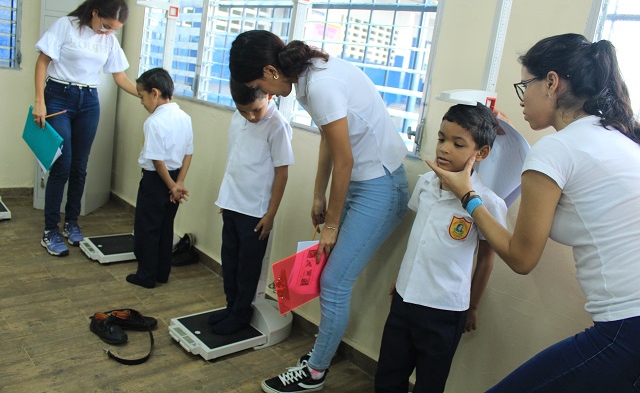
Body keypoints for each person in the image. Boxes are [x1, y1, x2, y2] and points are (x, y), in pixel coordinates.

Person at [426, 33, 640, 392]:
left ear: (552, 83)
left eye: (526, 85)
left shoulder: (556, 150)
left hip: (627, 326)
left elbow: (522, 257)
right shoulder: (617, 137)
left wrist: (468, 196)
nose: (522, 98)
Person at [229, 30, 410, 393]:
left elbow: (345, 159)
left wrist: (332, 224)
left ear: (270, 69)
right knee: (331, 278)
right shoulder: (308, 78)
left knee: (333, 283)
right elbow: (331, 139)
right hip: (364, 181)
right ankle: (319, 360)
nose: (261, 93)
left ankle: (315, 372)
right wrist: (318, 194)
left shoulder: (320, 84)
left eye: (257, 84)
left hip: (382, 185)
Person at [375, 104, 507, 393]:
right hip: (405, 299)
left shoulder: (488, 203)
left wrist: (472, 305)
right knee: (387, 376)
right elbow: (419, 238)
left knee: (430, 384)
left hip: (445, 310)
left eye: (458, 143)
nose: (444, 149)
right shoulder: (425, 184)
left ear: (481, 153)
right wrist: (403, 277)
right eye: (441, 138)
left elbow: (486, 261)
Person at [34, 0, 139, 256]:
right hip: (59, 97)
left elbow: (120, 76)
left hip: (89, 101)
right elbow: (43, 62)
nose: (108, 32)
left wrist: (148, 95)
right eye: (105, 25)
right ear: (94, 13)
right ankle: (50, 231)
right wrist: (40, 101)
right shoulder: (66, 26)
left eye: (114, 29)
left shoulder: (108, 40)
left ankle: (72, 224)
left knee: (80, 167)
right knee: (63, 165)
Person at [210, 79, 294, 334]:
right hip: (232, 203)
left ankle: (240, 314)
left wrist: (270, 215)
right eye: (243, 110)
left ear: (268, 96)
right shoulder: (239, 117)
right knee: (230, 261)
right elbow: (234, 159)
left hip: (256, 213)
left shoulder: (277, 125)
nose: (250, 116)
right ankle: (230, 306)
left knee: (247, 267)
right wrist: (226, 198)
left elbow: (282, 173)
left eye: (255, 110)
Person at [127, 68, 193, 289]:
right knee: (166, 228)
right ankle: (162, 273)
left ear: (154, 93)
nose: (142, 103)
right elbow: (188, 153)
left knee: (147, 230)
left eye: (142, 96)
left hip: (157, 181)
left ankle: (145, 276)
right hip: (174, 179)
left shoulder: (153, 122)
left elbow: (157, 161)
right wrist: (179, 183)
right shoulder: (185, 117)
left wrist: (171, 186)